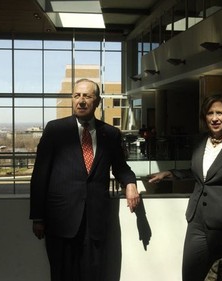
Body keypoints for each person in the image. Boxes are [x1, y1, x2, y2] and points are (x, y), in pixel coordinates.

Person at [30, 78, 140, 281]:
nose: (81, 101)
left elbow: (120, 167)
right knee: (62, 275)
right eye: (77, 95)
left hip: (94, 221)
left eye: (87, 96)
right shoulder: (55, 130)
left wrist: (130, 183)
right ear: (72, 99)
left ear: (97, 101)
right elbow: (40, 174)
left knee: (93, 275)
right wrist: (38, 217)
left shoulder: (110, 133)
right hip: (60, 220)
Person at [148, 94, 222, 281]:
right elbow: (198, 173)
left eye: (219, 113)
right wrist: (169, 174)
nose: (214, 118)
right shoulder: (199, 141)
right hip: (196, 221)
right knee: (190, 275)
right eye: (210, 113)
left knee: (221, 277)